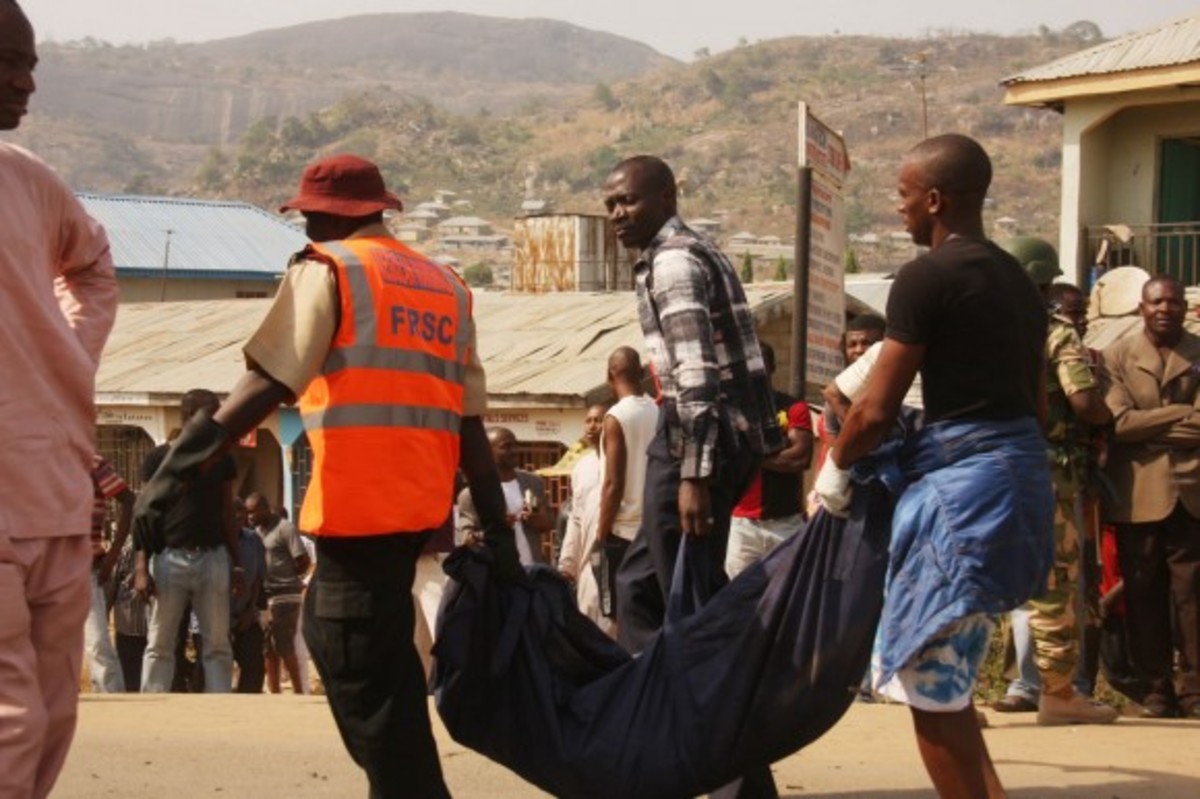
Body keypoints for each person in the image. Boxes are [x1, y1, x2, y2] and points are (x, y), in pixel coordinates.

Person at [132, 153, 510, 798]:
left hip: (357, 509)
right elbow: (471, 422)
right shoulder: (447, 285)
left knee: (355, 666)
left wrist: (179, 466)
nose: (304, 223)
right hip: (417, 512)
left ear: (333, 213)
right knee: (377, 670)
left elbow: (268, 379)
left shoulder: (331, 267)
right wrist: (497, 527)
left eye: (309, 212)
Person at [820, 134, 1053, 798]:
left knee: (930, 691)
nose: (898, 210)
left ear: (934, 198)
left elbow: (875, 407)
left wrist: (835, 467)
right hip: (1018, 486)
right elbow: (1036, 410)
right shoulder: (1018, 281)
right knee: (952, 690)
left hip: (963, 499)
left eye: (901, 196)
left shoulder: (927, 277)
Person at [603, 154, 783, 799]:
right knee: (652, 584)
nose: (618, 215)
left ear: (665, 195)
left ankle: (698, 748)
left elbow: (697, 376)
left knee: (674, 596)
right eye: (610, 206)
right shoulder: (690, 252)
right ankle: (688, 740)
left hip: (694, 438)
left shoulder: (674, 261)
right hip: (717, 440)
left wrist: (692, 475)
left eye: (628, 201)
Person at [0, 3, 120, 795]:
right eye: (10, 61)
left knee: (53, 709)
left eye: (31, 61)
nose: (27, 81)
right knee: (12, 717)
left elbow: (95, 266)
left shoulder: (30, 180)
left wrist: (68, 356)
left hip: (51, 486)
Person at [993, 273, 1117, 725]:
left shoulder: (992, 329)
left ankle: (1015, 685)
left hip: (995, 466)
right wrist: (1106, 420)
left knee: (1009, 579)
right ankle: (1060, 690)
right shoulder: (1056, 333)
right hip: (1050, 470)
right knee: (1059, 579)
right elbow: (1083, 401)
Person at [1101, 274, 1200, 719]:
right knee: (1142, 592)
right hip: (1137, 492)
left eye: (1173, 302)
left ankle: (1195, 691)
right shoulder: (1117, 356)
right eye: (1157, 302)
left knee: (1192, 596)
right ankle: (1156, 689)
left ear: (1185, 307)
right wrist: (1181, 414)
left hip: (1193, 489)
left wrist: (1150, 426)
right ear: (1141, 308)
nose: (1165, 309)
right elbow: (1118, 423)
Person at [135, 389, 240, 693]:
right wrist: (141, 568)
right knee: (160, 642)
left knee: (218, 642)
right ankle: (152, 706)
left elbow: (227, 513)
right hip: (168, 558)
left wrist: (238, 565)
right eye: (211, 414)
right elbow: (143, 515)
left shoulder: (222, 460)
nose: (217, 420)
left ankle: (220, 708)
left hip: (213, 557)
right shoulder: (158, 458)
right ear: (190, 416)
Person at [726, 341, 813, 578]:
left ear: (772, 367)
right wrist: (775, 454)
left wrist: (751, 455)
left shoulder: (793, 408)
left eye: (760, 366)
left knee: (787, 599)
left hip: (785, 523)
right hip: (742, 526)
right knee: (736, 600)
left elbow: (801, 458)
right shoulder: (732, 411)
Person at [592, 348, 658, 633]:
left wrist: (601, 531)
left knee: (621, 618)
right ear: (642, 375)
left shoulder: (615, 417)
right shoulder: (658, 410)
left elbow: (613, 483)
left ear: (609, 377)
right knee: (652, 614)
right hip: (655, 529)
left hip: (623, 533)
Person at [457, 427, 553, 565]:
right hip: (496, 575)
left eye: (515, 445)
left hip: (532, 572)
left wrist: (537, 519)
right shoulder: (471, 494)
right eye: (506, 447)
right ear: (488, 452)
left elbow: (549, 523)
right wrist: (496, 529)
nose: (514, 451)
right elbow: (466, 539)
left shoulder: (532, 482)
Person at [246, 492, 311, 694]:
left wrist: (288, 578)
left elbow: (303, 560)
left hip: (285, 595)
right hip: (265, 595)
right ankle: (274, 692)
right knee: (268, 648)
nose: (250, 517)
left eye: (253, 512)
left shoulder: (285, 528)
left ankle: (299, 691)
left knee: (283, 643)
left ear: (265, 508)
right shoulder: (256, 532)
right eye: (247, 513)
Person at [556, 404, 609, 632]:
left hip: (614, 556)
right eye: (588, 420)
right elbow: (576, 519)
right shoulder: (581, 467)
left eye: (598, 420)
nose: (592, 426)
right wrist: (568, 564)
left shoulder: (621, 462)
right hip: (587, 561)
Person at [85, 455, 134, 693]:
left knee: (97, 643)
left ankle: (113, 704)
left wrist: (113, 555)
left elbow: (128, 500)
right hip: (43, 567)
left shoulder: (91, 462)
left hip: (84, 569)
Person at [230, 497, 267, 694]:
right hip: (214, 618)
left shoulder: (253, 540)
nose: (237, 515)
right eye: (232, 510)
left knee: (254, 667)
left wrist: (250, 609)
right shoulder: (214, 541)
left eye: (241, 510)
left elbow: (257, 579)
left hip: (245, 614)